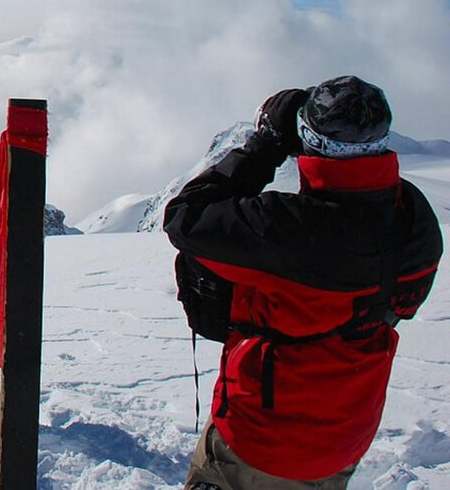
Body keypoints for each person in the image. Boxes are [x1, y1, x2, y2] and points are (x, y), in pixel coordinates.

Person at [164, 76, 441, 489]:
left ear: (309, 140)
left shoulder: (284, 228)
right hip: (345, 434)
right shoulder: (413, 216)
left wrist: (266, 146)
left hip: (260, 440)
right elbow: (404, 303)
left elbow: (185, 218)